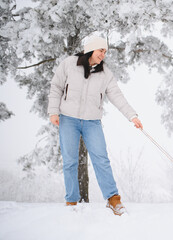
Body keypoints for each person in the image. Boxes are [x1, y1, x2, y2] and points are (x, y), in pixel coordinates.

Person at [47, 35, 143, 216]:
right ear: (91, 49)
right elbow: (56, 86)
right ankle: (72, 202)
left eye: (105, 51)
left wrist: (132, 116)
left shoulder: (105, 73)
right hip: (68, 119)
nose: (103, 55)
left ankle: (114, 200)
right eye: (101, 50)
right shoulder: (69, 64)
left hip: (92, 121)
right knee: (70, 161)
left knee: (101, 159)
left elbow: (117, 96)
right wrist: (53, 111)